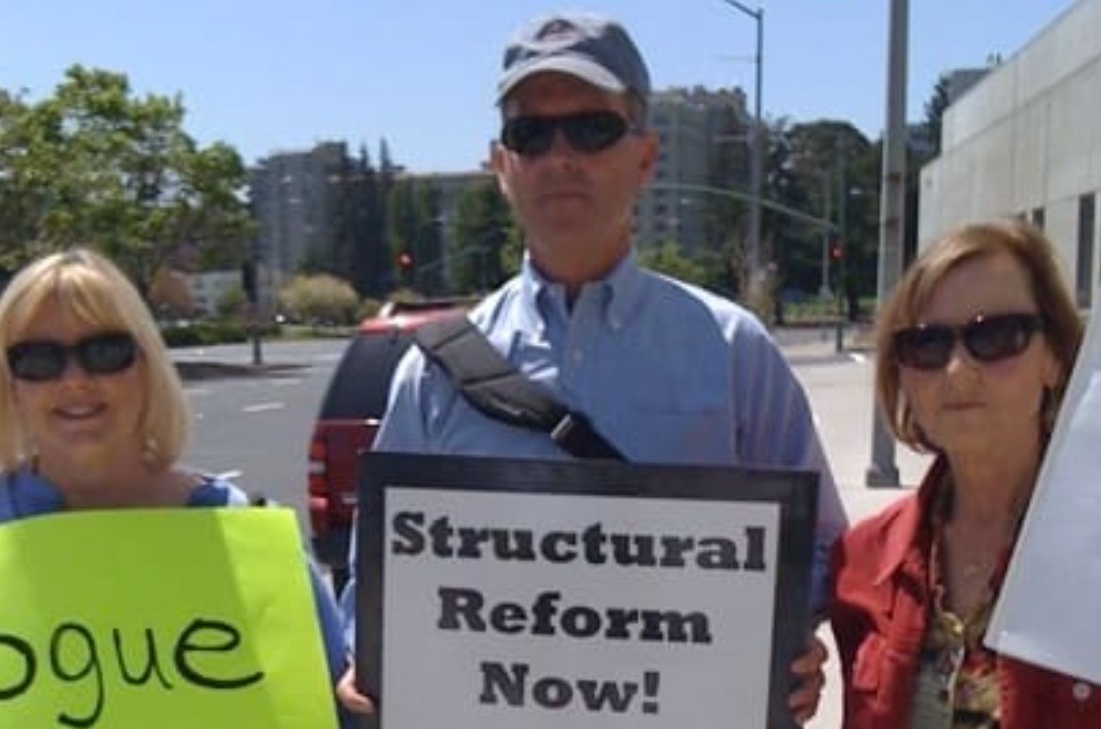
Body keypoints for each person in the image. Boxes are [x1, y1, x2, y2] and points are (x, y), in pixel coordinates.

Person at [336, 11, 847, 724]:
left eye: (591, 127)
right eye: (530, 133)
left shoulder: (732, 349)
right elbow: (379, 564)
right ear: (500, 165)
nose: (559, 155)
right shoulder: (432, 371)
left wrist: (781, 646)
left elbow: (819, 542)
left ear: (644, 156)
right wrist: (371, 651)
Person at [0, 248, 352, 724]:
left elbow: (330, 706)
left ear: (147, 366)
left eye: (105, 352)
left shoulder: (241, 535)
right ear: (10, 384)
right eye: (39, 359)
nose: (75, 380)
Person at [829, 220, 1101, 727]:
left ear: (1055, 359)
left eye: (998, 335)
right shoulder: (862, 561)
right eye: (927, 346)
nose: (958, 371)